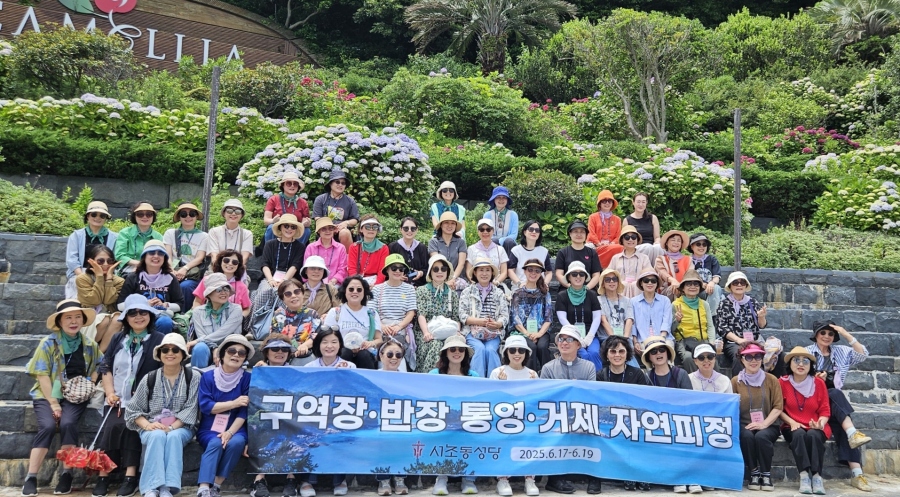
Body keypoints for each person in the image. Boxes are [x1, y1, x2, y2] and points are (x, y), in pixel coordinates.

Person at [21, 301, 102, 497]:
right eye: (68, 317)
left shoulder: (89, 344)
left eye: (78, 317)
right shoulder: (48, 343)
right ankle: (31, 477)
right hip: (47, 394)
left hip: (76, 395)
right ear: (59, 321)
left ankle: (66, 474)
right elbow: (41, 375)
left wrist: (90, 382)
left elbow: (101, 365)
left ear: (83, 320)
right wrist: (54, 403)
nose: (74, 321)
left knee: (68, 423)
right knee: (48, 426)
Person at [96, 294, 166, 497]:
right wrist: (110, 392)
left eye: (143, 312)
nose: (138, 316)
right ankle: (103, 476)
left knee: (131, 428)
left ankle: (130, 476)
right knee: (110, 428)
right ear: (126, 317)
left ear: (150, 315)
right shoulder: (118, 338)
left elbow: (165, 370)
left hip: (144, 401)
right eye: (133, 313)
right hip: (116, 399)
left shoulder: (158, 339)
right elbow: (106, 366)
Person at [125, 333, 200, 497]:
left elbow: (191, 408)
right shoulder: (150, 378)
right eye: (165, 350)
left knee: (174, 437)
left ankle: (167, 488)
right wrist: (148, 425)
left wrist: (171, 427)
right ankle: (151, 488)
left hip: (182, 426)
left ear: (183, 354)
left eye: (175, 350)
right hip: (152, 425)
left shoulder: (193, 377)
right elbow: (132, 409)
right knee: (157, 436)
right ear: (159, 354)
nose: (170, 353)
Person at [805, 320, 873, 491]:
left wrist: (845, 334)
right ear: (816, 335)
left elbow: (863, 354)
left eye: (831, 334)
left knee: (841, 418)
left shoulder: (841, 351)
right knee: (835, 394)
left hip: (833, 405)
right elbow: (796, 378)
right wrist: (815, 380)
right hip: (812, 401)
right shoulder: (806, 352)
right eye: (823, 333)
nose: (827, 336)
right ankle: (853, 432)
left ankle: (857, 475)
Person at [539, 326, 595, 495]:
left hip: (580, 414)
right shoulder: (548, 368)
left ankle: (594, 477)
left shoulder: (589, 367)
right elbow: (545, 397)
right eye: (561, 339)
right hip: (555, 416)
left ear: (578, 344)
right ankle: (554, 478)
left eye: (569, 339)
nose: (564, 343)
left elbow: (591, 395)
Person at [196, 334, 253, 497]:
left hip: (236, 426)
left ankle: (216, 485)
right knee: (215, 442)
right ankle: (203, 488)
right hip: (210, 426)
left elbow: (244, 411)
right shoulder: (207, 377)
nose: (236, 355)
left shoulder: (247, 378)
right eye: (231, 351)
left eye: (241, 353)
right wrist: (234, 403)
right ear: (222, 354)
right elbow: (206, 406)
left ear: (245, 358)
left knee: (236, 443)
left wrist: (229, 432)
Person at [302, 328, 353, 497]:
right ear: (318, 345)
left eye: (334, 342)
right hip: (315, 414)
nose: (329, 346)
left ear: (340, 345)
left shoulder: (350, 366)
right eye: (324, 342)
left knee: (341, 434)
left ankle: (340, 480)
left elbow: (354, 394)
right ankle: (308, 480)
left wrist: (346, 375)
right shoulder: (309, 367)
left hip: (340, 414)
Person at [640, 336, 694, 494]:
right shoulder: (646, 377)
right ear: (649, 357)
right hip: (655, 422)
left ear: (668, 353)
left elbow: (689, 401)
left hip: (679, 419)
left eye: (662, 350)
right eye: (653, 352)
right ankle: (676, 479)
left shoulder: (681, 374)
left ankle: (690, 478)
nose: (658, 353)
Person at [249, 334, 301, 497]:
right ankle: (259, 479)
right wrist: (263, 373)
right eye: (275, 348)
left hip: (290, 418)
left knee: (292, 431)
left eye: (284, 349)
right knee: (261, 431)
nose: (280, 352)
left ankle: (291, 479)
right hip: (265, 417)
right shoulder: (258, 371)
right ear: (266, 352)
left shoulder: (296, 373)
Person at [595, 335, 649, 492]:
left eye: (621, 351)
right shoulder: (601, 375)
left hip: (633, 418)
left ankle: (640, 474)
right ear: (607, 354)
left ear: (627, 354)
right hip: (610, 419)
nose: (617, 355)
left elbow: (643, 400)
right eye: (613, 351)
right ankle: (626, 474)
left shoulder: (637, 374)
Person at [489, 335, 539, 497]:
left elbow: (536, 403)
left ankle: (529, 478)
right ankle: (502, 479)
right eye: (512, 350)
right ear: (506, 353)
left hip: (526, 421)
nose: (517, 354)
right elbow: (492, 401)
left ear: (526, 353)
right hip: (503, 421)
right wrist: (502, 386)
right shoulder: (497, 372)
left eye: (521, 350)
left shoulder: (532, 374)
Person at [429, 335, 478, 496]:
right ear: (446, 352)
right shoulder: (434, 374)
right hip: (442, 421)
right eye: (453, 349)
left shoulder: (474, 376)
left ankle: (469, 479)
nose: (457, 352)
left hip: (466, 421)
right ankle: (441, 478)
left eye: (461, 349)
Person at [731, 341, 783, 492]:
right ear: (742, 360)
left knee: (761, 436)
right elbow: (732, 407)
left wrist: (764, 424)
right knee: (747, 436)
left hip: (768, 423)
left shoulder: (772, 380)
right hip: (744, 423)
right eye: (749, 357)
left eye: (757, 356)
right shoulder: (735, 382)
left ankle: (766, 474)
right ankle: (754, 472)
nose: (753, 360)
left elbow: (778, 406)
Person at [779, 347, 831, 496]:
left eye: (805, 361)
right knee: (799, 434)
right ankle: (804, 476)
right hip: (791, 424)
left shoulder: (818, 383)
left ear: (811, 366)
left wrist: (820, 423)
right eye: (796, 360)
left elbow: (825, 410)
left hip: (816, 423)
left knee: (814, 435)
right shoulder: (782, 382)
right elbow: (778, 408)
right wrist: (792, 422)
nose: (801, 364)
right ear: (790, 364)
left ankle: (816, 476)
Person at [117, 240, 183, 335]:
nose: (156, 256)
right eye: (151, 252)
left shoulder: (171, 278)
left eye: (160, 253)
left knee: (165, 322)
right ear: (144, 256)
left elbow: (180, 304)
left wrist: (165, 305)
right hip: (138, 316)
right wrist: (143, 304)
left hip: (161, 316)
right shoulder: (133, 277)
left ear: (164, 258)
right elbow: (120, 305)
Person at [714, 271, 774, 377]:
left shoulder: (752, 302)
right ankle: (739, 384)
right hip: (733, 342)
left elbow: (762, 325)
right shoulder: (724, 304)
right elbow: (722, 328)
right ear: (730, 286)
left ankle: (772, 384)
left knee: (775, 355)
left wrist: (761, 316)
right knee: (740, 355)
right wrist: (739, 340)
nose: (739, 285)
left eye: (742, 282)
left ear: (746, 286)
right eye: (735, 282)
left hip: (754, 340)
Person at [460, 258, 509, 377]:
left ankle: (495, 381)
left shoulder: (498, 293)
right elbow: (462, 315)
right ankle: (477, 382)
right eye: (481, 270)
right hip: (472, 332)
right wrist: (479, 321)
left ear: (492, 273)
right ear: (475, 272)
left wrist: (498, 324)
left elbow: (505, 315)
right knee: (479, 349)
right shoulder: (467, 292)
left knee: (490, 350)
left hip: (493, 333)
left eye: (487, 270)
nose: (484, 273)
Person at [322, 276, 382, 369]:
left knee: (364, 355)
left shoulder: (372, 313)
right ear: (345, 291)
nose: (355, 292)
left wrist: (370, 343)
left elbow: (379, 339)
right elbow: (326, 338)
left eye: (359, 289)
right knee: (345, 352)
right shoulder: (335, 312)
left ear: (364, 292)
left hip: (365, 355)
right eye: (351, 289)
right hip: (341, 353)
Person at [415, 255, 461, 373]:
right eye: (435, 269)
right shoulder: (422, 290)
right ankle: (430, 378)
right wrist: (426, 333)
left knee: (456, 345)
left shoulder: (452, 294)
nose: (440, 272)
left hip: (448, 331)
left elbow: (456, 318)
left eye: (443, 269)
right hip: (426, 331)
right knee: (436, 345)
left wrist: (457, 332)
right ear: (430, 272)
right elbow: (421, 314)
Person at [375, 340, 411, 496]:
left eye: (398, 355)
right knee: (382, 446)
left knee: (401, 446)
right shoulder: (372, 376)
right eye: (389, 354)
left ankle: (400, 478)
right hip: (379, 420)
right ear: (381, 355)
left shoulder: (408, 378)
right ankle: (383, 480)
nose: (394, 358)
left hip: (401, 419)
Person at [372, 255, 418, 371]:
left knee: (397, 351)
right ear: (387, 270)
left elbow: (411, 312)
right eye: (394, 268)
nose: (397, 271)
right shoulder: (377, 289)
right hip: (381, 331)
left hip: (401, 330)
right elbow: (371, 312)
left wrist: (399, 326)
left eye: (401, 269)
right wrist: (382, 326)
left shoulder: (409, 289)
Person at [189, 274, 244, 368]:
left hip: (229, 348)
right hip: (207, 348)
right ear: (209, 294)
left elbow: (224, 332)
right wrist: (214, 348)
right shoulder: (198, 311)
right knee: (200, 347)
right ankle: (197, 375)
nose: (223, 293)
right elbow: (201, 335)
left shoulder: (236, 309)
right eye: (218, 289)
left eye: (226, 289)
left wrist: (198, 341)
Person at [75, 244, 124, 352]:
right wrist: (100, 278)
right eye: (100, 261)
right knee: (104, 318)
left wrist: (109, 279)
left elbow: (109, 300)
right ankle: (89, 351)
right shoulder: (83, 279)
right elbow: (94, 300)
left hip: (110, 320)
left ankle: (100, 355)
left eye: (110, 261)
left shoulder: (119, 281)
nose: (106, 264)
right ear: (92, 262)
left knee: (118, 318)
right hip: (88, 319)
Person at [66, 200, 118, 298]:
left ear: (106, 218)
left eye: (102, 215)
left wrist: (105, 276)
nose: (98, 218)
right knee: (76, 300)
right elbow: (71, 260)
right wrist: (82, 277)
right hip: (81, 273)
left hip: (105, 274)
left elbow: (116, 259)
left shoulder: (115, 237)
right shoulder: (76, 235)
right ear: (88, 216)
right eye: (94, 214)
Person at [557, 262, 603, 371]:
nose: (578, 277)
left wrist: (589, 336)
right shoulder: (562, 295)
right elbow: (562, 318)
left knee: (594, 352)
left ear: (585, 277)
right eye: (574, 274)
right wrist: (576, 335)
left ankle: (598, 378)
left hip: (590, 334)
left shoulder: (592, 294)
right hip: (570, 336)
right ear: (569, 277)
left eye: (581, 274)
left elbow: (597, 317)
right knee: (583, 354)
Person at [163, 202, 209, 312]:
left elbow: (200, 257)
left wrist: (185, 269)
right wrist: (171, 270)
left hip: (192, 273)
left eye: (192, 214)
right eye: (184, 214)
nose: (188, 217)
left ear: (196, 217)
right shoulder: (170, 233)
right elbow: (167, 255)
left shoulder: (204, 236)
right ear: (179, 217)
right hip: (172, 269)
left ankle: (183, 315)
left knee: (186, 286)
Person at [510, 259, 553, 371]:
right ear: (524, 271)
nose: (533, 273)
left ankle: (548, 376)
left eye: (537, 271)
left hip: (541, 331)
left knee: (542, 346)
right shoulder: (517, 294)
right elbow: (515, 318)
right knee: (531, 347)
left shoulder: (544, 293)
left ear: (541, 273)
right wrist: (527, 334)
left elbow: (548, 317)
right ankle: (530, 377)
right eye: (530, 270)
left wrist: (539, 334)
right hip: (522, 331)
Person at [671, 270, 716, 374]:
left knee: (710, 357)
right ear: (683, 288)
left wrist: (711, 342)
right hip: (684, 342)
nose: (692, 286)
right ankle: (694, 382)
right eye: (688, 284)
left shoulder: (704, 304)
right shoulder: (675, 304)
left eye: (696, 284)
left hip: (703, 341)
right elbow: (671, 330)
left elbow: (710, 325)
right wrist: (677, 321)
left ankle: (713, 382)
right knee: (688, 358)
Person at [268, 278, 320, 366]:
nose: (293, 296)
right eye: (288, 294)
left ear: (302, 294)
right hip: (283, 356)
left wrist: (304, 346)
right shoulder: (278, 316)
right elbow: (274, 339)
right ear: (283, 299)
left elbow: (317, 337)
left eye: (297, 292)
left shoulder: (312, 314)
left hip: (307, 356)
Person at [193, 250, 253, 321]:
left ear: (238, 265)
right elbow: (197, 302)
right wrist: (200, 317)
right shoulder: (207, 280)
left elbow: (247, 309)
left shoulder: (242, 286)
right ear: (220, 262)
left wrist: (237, 319)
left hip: (231, 322)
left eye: (234, 262)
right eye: (226, 260)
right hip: (207, 319)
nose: (230, 264)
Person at [596, 268, 636, 369]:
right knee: (618, 348)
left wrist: (625, 338)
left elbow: (629, 320)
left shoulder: (627, 300)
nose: (611, 282)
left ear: (618, 282)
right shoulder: (598, 300)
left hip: (625, 336)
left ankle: (635, 375)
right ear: (603, 284)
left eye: (614, 279)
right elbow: (603, 321)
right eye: (607, 279)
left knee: (626, 351)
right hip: (607, 337)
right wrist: (615, 339)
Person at [312, 169, 360, 250]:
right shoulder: (320, 199)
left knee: (345, 233)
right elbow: (317, 218)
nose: (340, 185)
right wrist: (330, 226)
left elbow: (355, 219)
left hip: (342, 230)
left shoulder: (350, 201)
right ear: (330, 183)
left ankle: (347, 257)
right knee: (326, 231)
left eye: (343, 183)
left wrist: (346, 223)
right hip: (325, 228)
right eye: (337, 182)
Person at [630, 267, 672, 360]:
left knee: (666, 352)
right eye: (646, 280)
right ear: (641, 283)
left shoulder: (665, 300)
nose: (650, 283)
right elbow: (633, 324)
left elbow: (667, 321)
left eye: (653, 280)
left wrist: (661, 339)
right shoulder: (633, 302)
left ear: (657, 283)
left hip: (664, 338)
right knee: (649, 355)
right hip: (643, 339)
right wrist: (635, 342)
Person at [261, 214, 306, 296]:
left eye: (293, 227)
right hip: (270, 278)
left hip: (291, 279)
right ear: (280, 227)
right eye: (286, 226)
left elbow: (295, 266)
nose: (289, 229)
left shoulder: (300, 247)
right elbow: (265, 264)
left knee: (287, 293)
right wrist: (270, 280)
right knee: (264, 292)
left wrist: (284, 280)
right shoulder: (269, 244)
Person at [115, 201, 164, 276]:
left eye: (149, 214)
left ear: (153, 217)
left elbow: (161, 257)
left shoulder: (158, 237)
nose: (145, 217)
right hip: (129, 269)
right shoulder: (125, 233)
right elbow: (119, 255)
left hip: (152, 269)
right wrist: (139, 264)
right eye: (140, 214)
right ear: (134, 216)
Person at [263, 171, 311, 245]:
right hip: (279, 228)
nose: (292, 186)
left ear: (298, 187)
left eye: (295, 184)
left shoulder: (303, 202)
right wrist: (273, 220)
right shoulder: (273, 199)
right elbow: (266, 220)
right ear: (283, 185)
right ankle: (270, 250)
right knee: (271, 227)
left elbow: (305, 221)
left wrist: (306, 223)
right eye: (289, 183)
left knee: (306, 230)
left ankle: (297, 250)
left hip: (294, 230)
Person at [555, 220, 601, 291]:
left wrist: (586, 288)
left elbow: (596, 275)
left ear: (586, 235)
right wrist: (570, 286)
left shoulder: (592, 252)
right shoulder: (563, 252)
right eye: (575, 231)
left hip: (588, 289)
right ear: (570, 234)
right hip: (567, 289)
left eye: (582, 232)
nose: (579, 234)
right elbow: (559, 274)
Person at [607, 225, 651, 298]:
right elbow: (608, 275)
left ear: (637, 239)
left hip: (639, 292)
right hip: (619, 292)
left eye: (633, 237)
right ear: (622, 240)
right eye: (627, 237)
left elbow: (649, 275)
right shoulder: (615, 258)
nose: (630, 240)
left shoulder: (644, 258)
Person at [507, 220, 552, 290]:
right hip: (520, 288)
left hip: (539, 289)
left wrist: (545, 284)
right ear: (525, 232)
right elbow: (510, 270)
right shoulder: (516, 251)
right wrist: (519, 284)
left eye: (537, 230)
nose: (534, 232)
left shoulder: (544, 251)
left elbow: (549, 272)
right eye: (531, 229)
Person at [207, 199, 254, 265]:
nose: (233, 213)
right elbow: (214, 256)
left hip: (238, 268)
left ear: (241, 215)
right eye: (229, 211)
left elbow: (244, 258)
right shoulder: (214, 232)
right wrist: (222, 269)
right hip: (217, 268)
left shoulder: (247, 234)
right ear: (224, 213)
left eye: (238, 211)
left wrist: (232, 269)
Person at [427, 212, 467, 289]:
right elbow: (437, 262)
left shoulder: (461, 242)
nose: (450, 225)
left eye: (453, 223)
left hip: (457, 279)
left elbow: (461, 263)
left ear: (455, 226)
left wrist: (453, 278)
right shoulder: (433, 242)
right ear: (441, 225)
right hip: (439, 277)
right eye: (446, 222)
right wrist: (445, 280)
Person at [304, 217, 348, 287]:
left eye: (330, 228)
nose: (328, 231)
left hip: (335, 283)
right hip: (314, 281)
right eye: (324, 229)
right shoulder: (311, 247)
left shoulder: (341, 248)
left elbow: (343, 269)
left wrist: (333, 281)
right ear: (319, 231)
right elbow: (306, 268)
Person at [348, 214, 390, 286]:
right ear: (361, 229)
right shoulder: (354, 247)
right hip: (357, 281)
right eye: (367, 226)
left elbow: (382, 271)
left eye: (375, 227)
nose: (371, 229)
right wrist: (358, 284)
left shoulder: (384, 248)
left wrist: (376, 285)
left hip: (376, 282)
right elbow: (352, 269)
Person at [687, 233, 723, 314]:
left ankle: (712, 317)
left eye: (704, 244)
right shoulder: (688, 260)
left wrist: (712, 283)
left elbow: (717, 276)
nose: (701, 247)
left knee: (716, 288)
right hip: (696, 291)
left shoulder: (712, 259)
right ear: (692, 246)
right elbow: (688, 277)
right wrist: (700, 284)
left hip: (711, 290)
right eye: (698, 244)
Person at [621, 192, 662, 263]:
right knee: (648, 247)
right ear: (633, 202)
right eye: (638, 202)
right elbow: (625, 240)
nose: (641, 204)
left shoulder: (653, 218)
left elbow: (657, 237)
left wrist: (657, 242)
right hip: (636, 247)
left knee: (658, 247)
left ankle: (657, 268)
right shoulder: (627, 220)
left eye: (643, 202)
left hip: (652, 246)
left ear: (646, 203)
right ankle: (646, 268)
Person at [466, 219, 508, 286]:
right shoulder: (471, 249)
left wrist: (496, 282)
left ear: (493, 231)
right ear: (478, 231)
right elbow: (469, 270)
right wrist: (475, 283)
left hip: (496, 285)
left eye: (488, 229)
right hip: (476, 285)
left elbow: (504, 272)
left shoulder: (500, 249)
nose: (485, 232)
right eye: (482, 229)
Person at [389, 217, 429, 287]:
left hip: (419, 286)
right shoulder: (393, 247)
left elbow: (427, 269)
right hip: (398, 286)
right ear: (401, 229)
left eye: (413, 228)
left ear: (417, 230)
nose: (409, 231)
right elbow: (388, 268)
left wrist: (421, 273)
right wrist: (397, 276)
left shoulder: (422, 248)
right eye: (406, 228)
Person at [586, 190, 622, 268]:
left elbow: (618, 236)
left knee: (620, 248)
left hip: (612, 246)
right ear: (600, 203)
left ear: (612, 203)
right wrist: (598, 243)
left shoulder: (617, 219)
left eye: (609, 201)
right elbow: (591, 233)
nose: (607, 203)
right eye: (604, 201)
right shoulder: (593, 217)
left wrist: (612, 244)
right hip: (595, 246)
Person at [655, 230, 691, 300]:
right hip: (666, 291)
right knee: (673, 288)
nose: (676, 242)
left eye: (679, 240)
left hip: (685, 288)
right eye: (673, 240)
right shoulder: (660, 259)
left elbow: (690, 274)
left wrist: (682, 286)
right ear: (666, 243)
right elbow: (662, 273)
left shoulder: (688, 259)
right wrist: (672, 281)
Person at [483, 186, 518, 255]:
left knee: (509, 241)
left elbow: (514, 234)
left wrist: (501, 240)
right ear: (494, 199)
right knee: (493, 241)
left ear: (507, 200)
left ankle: (510, 262)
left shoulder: (513, 215)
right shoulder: (487, 215)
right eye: (498, 197)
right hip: (492, 245)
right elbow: (485, 232)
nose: (501, 200)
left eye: (504, 197)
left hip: (509, 246)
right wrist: (497, 241)